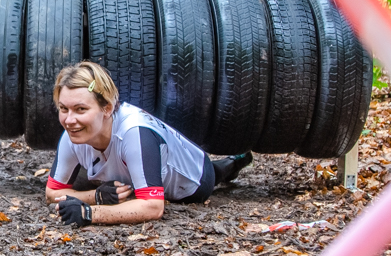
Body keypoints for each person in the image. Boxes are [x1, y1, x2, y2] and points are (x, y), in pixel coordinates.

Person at [46, 62, 252, 227]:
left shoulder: (134, 132)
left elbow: (153, 207)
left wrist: (88, 212)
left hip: (194, 179)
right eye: (64, 108)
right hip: (130, 173)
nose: (69, 120)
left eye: (81, 109)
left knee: (214, 174)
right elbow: (52, 193)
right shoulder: (72, 133)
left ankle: (232, 163)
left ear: (107, 108)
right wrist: (96, 196)